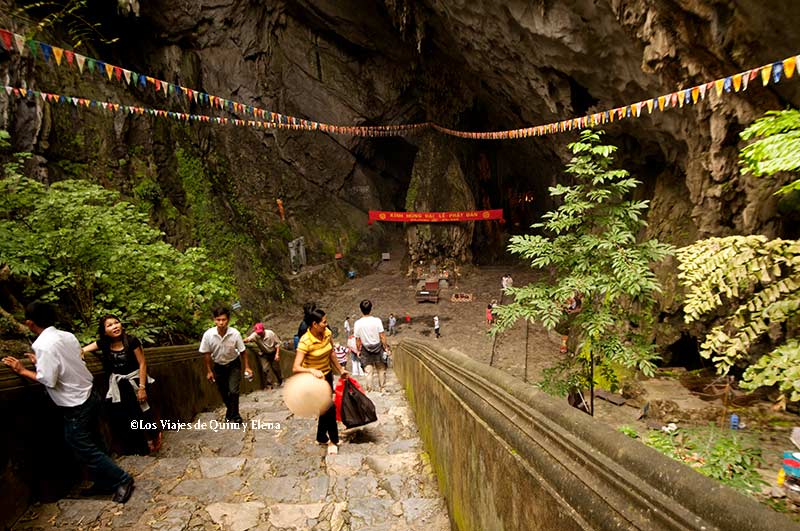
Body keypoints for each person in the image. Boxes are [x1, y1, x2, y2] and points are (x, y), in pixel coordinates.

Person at [2, 301, 134, 503]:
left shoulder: (42, 345)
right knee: (95, 441)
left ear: (29, 323)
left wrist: (22, 370)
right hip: (90, 393)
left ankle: (121, 479)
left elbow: (48, 379)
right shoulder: (67, 336)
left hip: (76, 402)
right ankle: (104, 481)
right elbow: (67, 362)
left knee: (80, 443)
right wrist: (40, 362)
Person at [82, 315, 162, 455]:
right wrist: (81, 353)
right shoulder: (104, 343)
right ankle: (143, 444)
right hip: (120, 385)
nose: (115, 326)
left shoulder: (131, 341)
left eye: (116, 323)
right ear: (104, 331)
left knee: (145, 412)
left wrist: (142, 388)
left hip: (136, 381)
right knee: (130, 415)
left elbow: (142, 363)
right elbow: (83, 349)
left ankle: (154, 435)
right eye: (110, 325)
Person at [293, 308, 349, 455]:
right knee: (329, 407)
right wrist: (312, 371)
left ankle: (321, 436)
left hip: (327, 375)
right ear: (314, 324)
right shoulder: (305, 342)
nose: (326, 324)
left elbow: (331, 352)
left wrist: (340, 370)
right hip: (313, 380)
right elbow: (296, 367)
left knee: (325, 408)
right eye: (324, 322)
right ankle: (333, 441)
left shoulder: (327, 333)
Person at [200, 307, 251, 424]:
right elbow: (206, 354)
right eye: (218, 320)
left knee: (233, 390)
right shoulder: (208, 335)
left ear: (228, 320)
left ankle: (236, 415)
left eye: (223, 320)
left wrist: (247, 367)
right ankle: (230, 412)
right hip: (218, 365)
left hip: (233, 364)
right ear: (214, 320)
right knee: (223, 392)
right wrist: (209, 371)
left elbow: (243, 352)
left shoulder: (235, 334)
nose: (221, 323)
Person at [354, 299, 390, 392]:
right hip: (378, 347)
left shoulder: (358, 323)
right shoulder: (377, 321)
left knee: (368, 371)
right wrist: (386, 347)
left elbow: (357, 339)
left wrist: (358, 350)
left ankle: (369, 389)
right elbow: (382, 336)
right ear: (371, 308)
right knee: (381, 369)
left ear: (361, 309)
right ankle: (382, 388)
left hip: (365, 349)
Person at [243, 322, 283, 389]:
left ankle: (280, 380)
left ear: (263, 330)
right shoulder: (255, 335)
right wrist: (239, 342)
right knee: (265, 369)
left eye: (261, 332)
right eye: (258, 333)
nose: (259, 334)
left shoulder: (270, 333)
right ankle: (269, 385)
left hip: (273, 353)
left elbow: (277, 344)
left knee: (276, 369)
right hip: (264, 354)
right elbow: (248, 339)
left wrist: (277, 354)